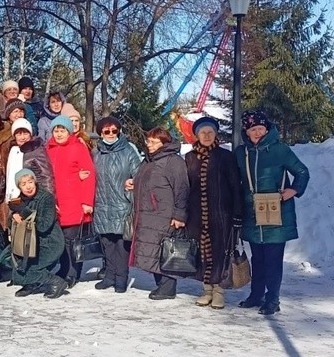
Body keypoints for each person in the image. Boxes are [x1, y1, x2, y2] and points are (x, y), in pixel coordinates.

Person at [235, 109, 309, 315]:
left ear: (266, 129)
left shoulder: (280, 150)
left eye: (261, 128)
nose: (257, 132)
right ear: (246, 132)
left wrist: (293, 190)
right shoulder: (242, 154)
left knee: (273, 260)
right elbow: (235, 181)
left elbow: (302, 171)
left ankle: (272, 299)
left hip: (277, 213)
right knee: (257, 258)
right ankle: (256, 295)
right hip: (252, 213)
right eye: (253, 129)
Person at [184, 115, 244, 309]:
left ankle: (219, 291)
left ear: (216, 134)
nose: (207, 135)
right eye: (203, 132)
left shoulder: (225, 156)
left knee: (219, 252)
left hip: (221, 215)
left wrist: (237, 213)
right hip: (197, 216)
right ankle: (207, 289)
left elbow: (236, 186)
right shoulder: (190, 158)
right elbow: (186, 187)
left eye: (210, 132)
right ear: (197, 135)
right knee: (202, 253)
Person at [127, 127, 189, 300]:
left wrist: (179, 215)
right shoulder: (148, 160)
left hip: (164, 213)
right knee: (153, 250)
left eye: (155, 142)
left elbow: (182, 189)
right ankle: (161, 285)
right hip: (148, 213)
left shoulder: (173, 161)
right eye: (148, 141)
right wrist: (134, 184)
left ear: (164, 143)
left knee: (164, 249)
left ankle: (167, 287)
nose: (150, 145)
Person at [91, 116, 141, 293]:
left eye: (114, 130)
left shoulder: (128, 151)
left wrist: (133, 182)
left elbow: (140, 173)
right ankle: (109, 276)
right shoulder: (96, 153)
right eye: (106, 131)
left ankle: (121, 277)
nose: (111, 134)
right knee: (107, 243)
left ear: (118, 131)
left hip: (122, 204)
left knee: (121, 245)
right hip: (102, 205)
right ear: (100, 133)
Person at [45, 114, 96, 284]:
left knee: (72, 241)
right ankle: (64, 268)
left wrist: (87, 202)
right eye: (56, 130)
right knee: (60, 240)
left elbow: (89, 175)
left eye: (62, 130)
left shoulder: (78, 147)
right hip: (57, 203)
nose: (59, 134)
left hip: (74, 201)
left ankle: (73, 272)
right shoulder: (49, 149)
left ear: (69, 131)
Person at [8, 168, 68, 299]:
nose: (28, 187)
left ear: (35, 182)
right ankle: (32, 283)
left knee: (29, 269)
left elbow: (43, 226)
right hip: (30, 243)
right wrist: (13, 216)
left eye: (30, 182)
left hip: (50, 242)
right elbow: (10, 224)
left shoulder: (46, 198)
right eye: (23, 184)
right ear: (19, 187)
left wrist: (24, 211)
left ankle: (56, 282)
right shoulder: (19, 200)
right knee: (16, 267)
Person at [5, 118, 55, 201]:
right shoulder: (14, 150)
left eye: (25, 133)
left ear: (30, 134)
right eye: (19, 134)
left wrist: (49, 199)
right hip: (16, 198)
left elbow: (46, 176)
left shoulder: (36, 150)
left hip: (34, 196)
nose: (22, 137)